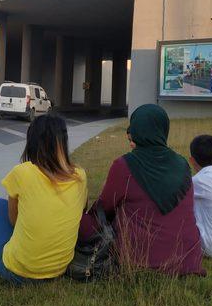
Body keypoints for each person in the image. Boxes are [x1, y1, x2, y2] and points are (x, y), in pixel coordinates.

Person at [79, 104, 205, 276]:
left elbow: (104, 208)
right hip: (188, 260)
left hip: (140, 261)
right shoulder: (182, 164)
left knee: (82, 222)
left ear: (136, 130)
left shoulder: (125, 165)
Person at [0, 113, 87, 284]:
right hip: (59, 269)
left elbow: (13, 221)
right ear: (63, 143)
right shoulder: (80, 176)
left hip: (17, 272)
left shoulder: (23, 172)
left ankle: (22, 253)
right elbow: (81, 211)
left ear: (32, 142)